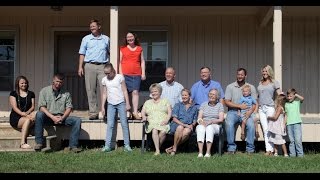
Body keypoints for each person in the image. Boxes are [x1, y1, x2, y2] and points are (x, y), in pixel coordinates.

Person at [34, 73, 82, 152]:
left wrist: (62, 118)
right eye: (57, 81)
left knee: (77, 120)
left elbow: (69, 107)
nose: (58, 83)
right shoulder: (44, 91)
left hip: (61, 118)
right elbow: (42, 107)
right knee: (39, 114)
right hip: (49, 117)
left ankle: (73, 146)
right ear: (53, 80)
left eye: (60, 82)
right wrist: (52, 117)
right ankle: (39, 143)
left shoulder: (66, 93)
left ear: (62, 83)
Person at [78, 19, 110, 120]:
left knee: (104, 89)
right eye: (91, 26)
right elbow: (82, 53)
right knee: (90, 89)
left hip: (103, 66)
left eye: (94, 26)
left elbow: (110, 52)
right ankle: (93, 112)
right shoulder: (86, 39)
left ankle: (104, 111)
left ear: (99, 27)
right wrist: (80, 67)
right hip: (89, 65)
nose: (92, 28)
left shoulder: (106, 39)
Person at [100, 63, 132, 152]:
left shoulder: (119, 77)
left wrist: (128, 103)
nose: (107, 75)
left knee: (124, 124)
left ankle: (127, 145)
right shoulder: (104, 80)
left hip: (121, 103)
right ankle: (107, 146)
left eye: (108, 73)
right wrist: (102, 107)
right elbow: (104, 94)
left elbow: (125, 91)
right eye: (105, 73)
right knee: (110, 125)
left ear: (113, 71)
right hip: (110, 104)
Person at [225, 68, 257, 154]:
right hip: (233, 112)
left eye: (242, 75)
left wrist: (250, 112)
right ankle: (231, 148)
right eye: (238, 74)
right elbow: (227, 102)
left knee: (251, 125)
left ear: (245, 75)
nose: (240, 76)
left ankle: (250, 149)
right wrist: (239, 106)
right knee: (229, 123)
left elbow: (255, 103)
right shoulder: (230, 86)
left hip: (247, 112)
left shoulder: (251, 87)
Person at [119, 32, 146, 120]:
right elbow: (120, 62)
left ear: (134, 38)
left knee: (135, 92)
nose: (130, 38)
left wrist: (143, 73)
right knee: (125, 93)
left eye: (131, 37)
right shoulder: (122, 48)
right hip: (125, 74)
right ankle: (127, 111)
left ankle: (134, 112)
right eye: (128, 37)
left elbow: (142, 61)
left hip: (136, 74)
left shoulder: (139, 48)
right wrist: (121, 74)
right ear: (126, 39)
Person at [165, 88, 198, 155]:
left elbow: (195, 119)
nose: (184, 97)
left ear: (189, 96)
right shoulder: (178, 105)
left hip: (188, 126)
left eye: (185, 95)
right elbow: (174, 119)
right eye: (182, 95)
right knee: (180, 127)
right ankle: (174, 149)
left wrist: (192, 125)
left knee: (187, 131)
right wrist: (184, 125)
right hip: (176, 124)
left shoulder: (194, 107)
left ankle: (173, 147)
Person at [141, 83, 172, 155]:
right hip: (151, 122)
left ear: (160, 92)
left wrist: (167, 120)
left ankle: (155, 147)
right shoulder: (147, 102)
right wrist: (144, 117)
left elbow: (170, 112)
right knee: (154, 130)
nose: (154, 93)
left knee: (163, 131)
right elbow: (143, 112)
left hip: (163, 121)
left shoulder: (165, 101)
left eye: (155, 91)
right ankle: (158, 150)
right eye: (152, 92)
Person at [257, 65, 281, 156]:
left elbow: (279, 95)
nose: (264, 73)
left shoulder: (275, 82)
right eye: (263, 71)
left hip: (270, 107)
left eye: (266, 71)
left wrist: (280, 106)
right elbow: (259, 96)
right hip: (261, 108)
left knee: (271, 128)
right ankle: (268, 150)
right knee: (265, 129)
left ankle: (275, 149)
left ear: (269, 72)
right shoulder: (260, 82)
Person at [9, 76, 36, 149]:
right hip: (16, 117)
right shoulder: (13, 93)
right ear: (18, 84)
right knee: (27, 120)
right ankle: (22, 143)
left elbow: (33, 107)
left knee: (36, 114)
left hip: (27, 114)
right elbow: (14, 107)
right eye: (22, 83)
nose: (24, 84)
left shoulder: (31, 93)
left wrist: (27, 113)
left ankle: (25, 129)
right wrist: (23, 114)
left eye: (25, 83)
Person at [196, 88, 224, 158]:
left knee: (209, 128)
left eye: (213, 94)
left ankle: (208, 152)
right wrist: (202, 123)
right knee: (200, 128)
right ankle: (200, 152)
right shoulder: (203, 104)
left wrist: (211, 122)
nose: (211, 96)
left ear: (217, 96)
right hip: (204, 123)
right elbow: (199, 118)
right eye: (210, 94)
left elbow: (221, 119)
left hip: (215, 125)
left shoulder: (220, 105)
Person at [285, 88, 304, 157]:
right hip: (289, 124)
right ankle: (292, 155)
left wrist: (296, 94)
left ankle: (300, 155)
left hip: (297, 123)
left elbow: (302, 99)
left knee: (298, 140)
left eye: (291, 96)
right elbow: (286, 115)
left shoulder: (297, 102)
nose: (289, 97)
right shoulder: (286, 104)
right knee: (291, 141)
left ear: (294, 96)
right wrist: (285, 124)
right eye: (288, 96)